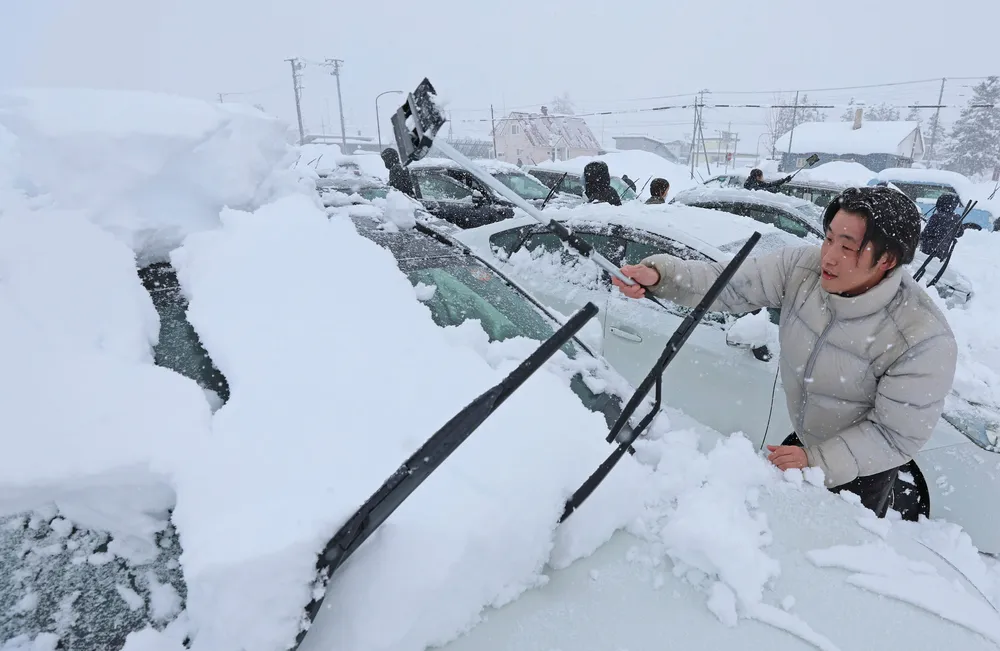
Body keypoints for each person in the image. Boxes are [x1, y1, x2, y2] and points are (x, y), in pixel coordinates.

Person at [611, 185, 958, 518]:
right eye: (828, 238)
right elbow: (730, 283)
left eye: (847, 247)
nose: (829, 256)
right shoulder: (801, 269)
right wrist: (661, 276)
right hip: (803, 440)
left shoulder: (920, 337)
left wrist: (817, 461)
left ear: (887, 259)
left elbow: (894, 435)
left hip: (861, 473)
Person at [919, 193, 965, 259]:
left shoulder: (936, 217)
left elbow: (926, 233)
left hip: (928, 251)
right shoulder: (956, 218)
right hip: (943, 252)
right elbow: (959, 233)